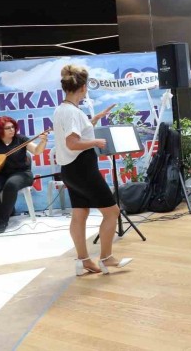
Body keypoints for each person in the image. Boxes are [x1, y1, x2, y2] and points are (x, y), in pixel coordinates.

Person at [53, 64, 131, 276]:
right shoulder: (72, 112)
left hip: (70, 171)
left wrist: (93, 121)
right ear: (84, 87)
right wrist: (96, 141)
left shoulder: (63, 109)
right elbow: (72, 143)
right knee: (112, 212)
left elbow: (75, 133)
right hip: (83, 170)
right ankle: (106, 258)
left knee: (80, 213)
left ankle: (83, 261)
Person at [0, 116, 48, 234]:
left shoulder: (21, 139)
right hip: (0, 174)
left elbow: (36, 151)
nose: (12, 130)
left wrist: (43, 141)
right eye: (7, 128)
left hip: (22, 173)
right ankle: (1, 215)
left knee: (11, 184)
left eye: (13, 127)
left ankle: (2, 221)